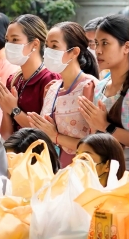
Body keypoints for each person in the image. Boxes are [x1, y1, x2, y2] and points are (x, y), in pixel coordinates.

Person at [27, 22, 100, 167]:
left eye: (54, 46)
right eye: (47, 46)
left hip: (79, 173)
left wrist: (56, 136)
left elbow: (96, 144)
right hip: (51, 170)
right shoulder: (51, 88)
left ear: (74, 52)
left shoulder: (89, 87)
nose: (47, 51)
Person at [78, 14, 129, 173]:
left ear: (127, 47)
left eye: (105, 43)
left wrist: (105, 126)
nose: (98, 50)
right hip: (100, 174)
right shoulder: (100, 87)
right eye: (96, 43)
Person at [0, 14, 59, 138]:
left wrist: (14, 110)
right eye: (7, 40)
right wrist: (5, 107)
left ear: (34, 44)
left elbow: (43, 132)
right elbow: (6, 134)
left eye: (15, 40)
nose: (9, 45)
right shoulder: (13, 79)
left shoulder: (49, 79)